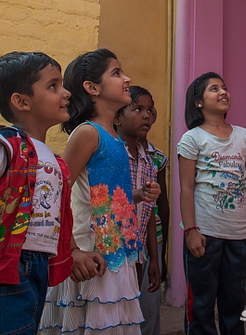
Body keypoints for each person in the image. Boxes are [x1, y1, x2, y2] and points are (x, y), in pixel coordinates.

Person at [0, 51, 106, 335]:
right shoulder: (4, 146)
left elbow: (58, 218)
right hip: (2, 269)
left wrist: (73, 252)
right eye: (53, 86)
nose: (66, 93)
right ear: (21, 101)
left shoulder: (55, 161)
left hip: (38, 266)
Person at [40, 49, 153, 335]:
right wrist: (70, 250)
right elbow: (59, 192)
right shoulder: (88, 133)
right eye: (116, 73)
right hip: (92, 255)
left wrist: (138, 195)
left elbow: (101, 193)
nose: (126, 78)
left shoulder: (114, 138)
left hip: (117, 251)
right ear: (92, 88)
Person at [178, 72, 246, 335]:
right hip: (204, 236)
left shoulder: (244, 136)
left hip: (239, 235)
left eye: (224, 87)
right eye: (214, 89)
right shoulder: (193, 139)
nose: (223, 92)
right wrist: (191, 230)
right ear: (198, 102)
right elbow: (186, 188)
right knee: (201, 305)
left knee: (234, 304)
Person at [114, 85, 166, 335]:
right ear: (117, 117)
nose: (147, 115)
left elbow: (149, 215)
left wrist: (154, 258)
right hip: (112, 252)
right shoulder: (112, 154)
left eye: (149, 110)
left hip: (139, 253)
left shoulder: (148, 160)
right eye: (138, 109)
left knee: (133, 314)